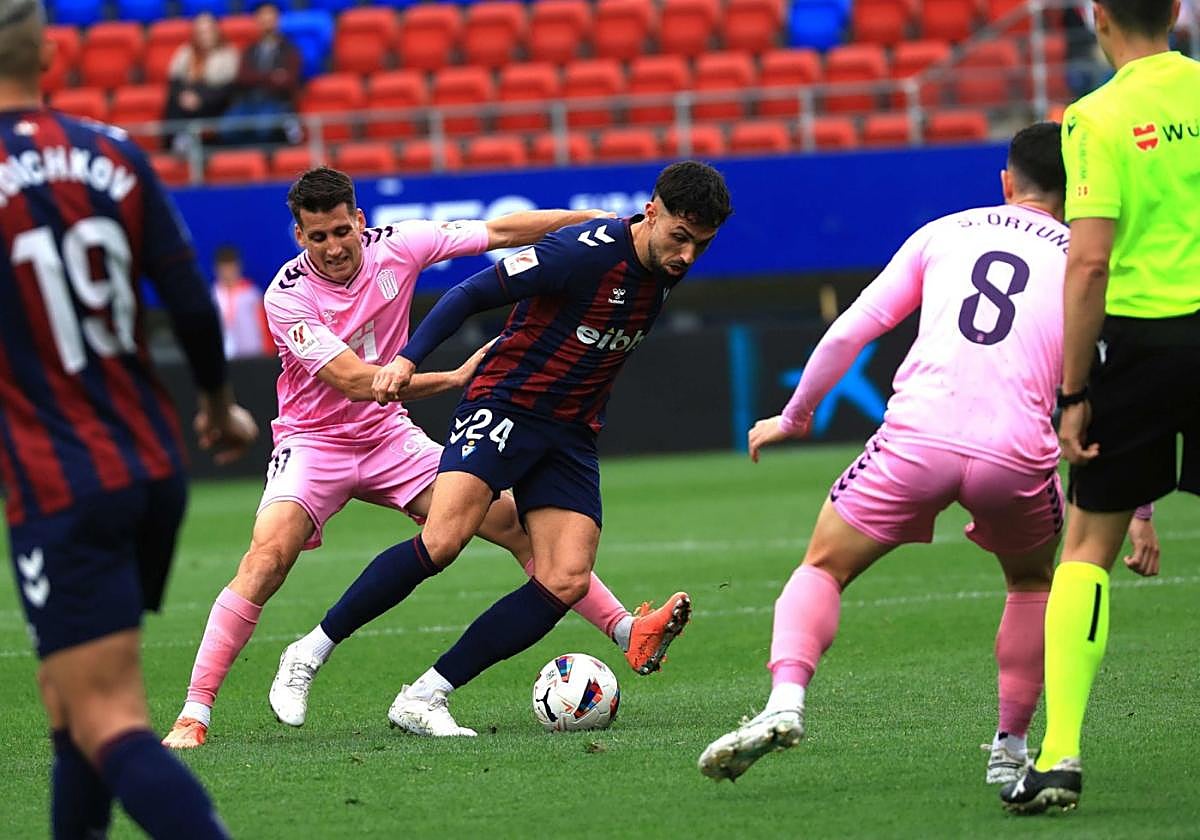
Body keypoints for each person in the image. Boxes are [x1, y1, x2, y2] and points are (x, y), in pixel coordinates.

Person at [162, 166, 691, 748]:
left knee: (514, 528)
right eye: (318, 237)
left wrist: (587, 221)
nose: (333, 248)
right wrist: (455, 378)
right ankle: (196, 712)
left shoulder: (400, 244)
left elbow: (502, 231)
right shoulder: (286, 297)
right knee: (267, 558)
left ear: (359, 221)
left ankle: (624, 630)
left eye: (341, 231)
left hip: (388, 438)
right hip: (314, 442)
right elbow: (357, 381)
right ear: (299, 236)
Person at [697, 123, 1158, 785]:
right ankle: (1009, 750)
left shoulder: (945, 231)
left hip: (918, 439)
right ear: (1078, 191)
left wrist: (795, 416)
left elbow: (851, 330)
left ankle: (785, 702)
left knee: (823, 566)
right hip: (1016, 453)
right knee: (1032, 584)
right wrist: (1138, 508)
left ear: (1006, 182)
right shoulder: (1086, 264)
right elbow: (1119, 389)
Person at [0, 1, 259, 837]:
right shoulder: (114, 152)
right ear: (47, 50)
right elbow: (189, 300)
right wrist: (217, 407)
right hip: (149, 463)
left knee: (106, 713)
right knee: (69, 700)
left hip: (61, 481)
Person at [1001, 0, 1200, 815]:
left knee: (1086, 547)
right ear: (1177, 12)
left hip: (1144, 341)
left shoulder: (1095, 115)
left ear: (1096, 17)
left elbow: (1087, 264)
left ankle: (1058, 757)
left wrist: (1074, 392)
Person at [221, 2, 301, 146]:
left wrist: (256, 77)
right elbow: (242, 77)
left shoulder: (290, 50)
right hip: (249, 101)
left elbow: (289, 81)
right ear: (257, 21)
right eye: (262, 17)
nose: (266, 21)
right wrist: (272, 76)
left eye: (270, 16)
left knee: (263, 127)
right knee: (226, 128)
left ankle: (267, 156)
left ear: (277, 20)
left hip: (276, 101)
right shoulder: (249, 50)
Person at [163, 12, 237, 153]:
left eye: (208, 31)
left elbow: (227, 89)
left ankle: (202, 143)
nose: (205, 36)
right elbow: (174, 80)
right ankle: (177, 140)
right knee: (173, 99)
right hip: (186, 99)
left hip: (213, 101)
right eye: (201, 32)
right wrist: (183, 96)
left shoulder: (227, 54)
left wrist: (200, 99)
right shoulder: (186, 52)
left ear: (216, 32)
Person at [212, 244, 272, 359]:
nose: (228, 273)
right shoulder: (213, 296)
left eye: (231, 268)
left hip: (253, 355)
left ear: (238, 267)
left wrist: (268, 353)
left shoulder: (252, 295)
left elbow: (265, 328)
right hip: (222, 356)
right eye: (224, 268)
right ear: (217, 269)